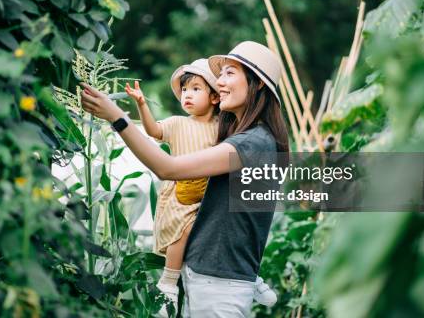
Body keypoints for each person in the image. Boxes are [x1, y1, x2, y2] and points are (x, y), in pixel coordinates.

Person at [81, 41, 289, 317]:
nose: (220, 82)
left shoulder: (253, 143)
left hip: (220, 287)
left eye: (229, 73)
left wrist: (118, 118)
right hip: (209, 278)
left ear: (258, 83)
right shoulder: (246, 137)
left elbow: (167, 168)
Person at [124, 59, 220, 316]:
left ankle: (250, 277)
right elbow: (154, 131)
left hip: (211, 195)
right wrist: (141, 104)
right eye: (184, 90)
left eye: (196, 89)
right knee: (183, 229)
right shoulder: (178, 123)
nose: (187, 94)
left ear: (214, 98)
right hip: (181, 195)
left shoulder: (222, 128)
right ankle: (168, 282)